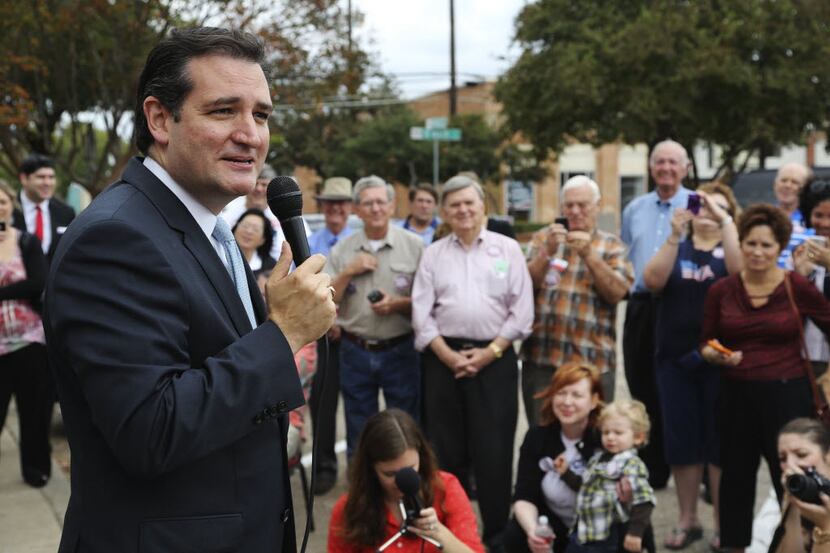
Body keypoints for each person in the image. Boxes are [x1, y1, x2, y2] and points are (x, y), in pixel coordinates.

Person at [44, 27, 336, 553]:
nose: (251, 134)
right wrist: (284, 333)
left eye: (262, 115)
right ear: (160, 118)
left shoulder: (209, 229)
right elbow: (148, 431)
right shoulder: (117, 237)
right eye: (224, 111)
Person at [412, 173, 533, 551]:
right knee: (446, 452)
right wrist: (448, 356)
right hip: (442, 362)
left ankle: (497, 535)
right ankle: (451, 535)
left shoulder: (508, 249)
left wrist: (489, 353)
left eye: (470, 203)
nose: (464, 210)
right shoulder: (433, 254)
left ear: (483, 206)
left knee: (494, 451)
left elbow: (522, 312)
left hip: (494, 361)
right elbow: (421, 314)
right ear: (445, 212)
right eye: (455, 205)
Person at [701, 204, 830, 551]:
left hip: (787, 397)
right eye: (751, 243)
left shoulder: (796, 286)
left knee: (792, 478)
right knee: (735, 479)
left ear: (780, 247)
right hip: (735, 395)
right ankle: (733, 546)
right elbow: (705, 341)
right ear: (740, 244)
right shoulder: (722, 290)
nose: (758, 252)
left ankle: (806, 543)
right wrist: (714, 354)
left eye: (767, 245)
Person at [642, 182, 741, 550]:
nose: (706, 214)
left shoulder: (729, 247)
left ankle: (722, 523)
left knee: (718, 444)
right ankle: (688, 519)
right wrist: (674, 235)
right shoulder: (678, 245)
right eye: (700, 206)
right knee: (682, 442)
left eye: (716, 208)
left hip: (720, 360)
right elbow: (652, 281)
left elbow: (739, 275)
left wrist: (726, 223)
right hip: (675, 362)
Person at [326, 175, 424, 456]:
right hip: (355, 349)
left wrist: (398, 304)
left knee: (404, 422)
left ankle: (408, 483)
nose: (376, 208)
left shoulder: (415, 246)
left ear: (392, 206)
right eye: (368, 203)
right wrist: (348, 271)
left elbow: (428, 300)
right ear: (356, 210)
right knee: (359, 424)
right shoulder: (342, 250)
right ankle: (362, 488)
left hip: (400, 347)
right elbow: (330, 297)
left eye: (381, 202)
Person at [522, 176, 633, 422]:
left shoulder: (612, 245)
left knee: (594, 435)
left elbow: (617, 293)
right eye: (569, 205)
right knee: (540, 434)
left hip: (593, 361)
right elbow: (524, 286)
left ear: (597, 206)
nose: (575, 211)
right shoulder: (544, 239)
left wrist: (589, 255)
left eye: (582, 205)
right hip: (543, 359)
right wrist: (546, 253)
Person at [621, 139, 692, 489]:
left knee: (677, 385)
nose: (666, 168)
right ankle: (652, 466)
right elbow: (626, 254)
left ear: (686, 168)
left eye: (673, 163)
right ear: (651, 168)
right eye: (660, 162)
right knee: (641, 382)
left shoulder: (697, 206)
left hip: (679, 305)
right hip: (640, 307)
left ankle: (684, 461)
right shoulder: (634, 208)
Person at [328, 408, 485, 553]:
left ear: (421, 457)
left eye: (410, 469)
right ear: (371, 469)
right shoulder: (348, 510)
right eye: (389, 474)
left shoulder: (445, 489)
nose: (400, 483)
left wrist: (440, 534)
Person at [504, 363, 604, 553]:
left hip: (598, 528)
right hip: (555, 526)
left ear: (593, 400)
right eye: (561, 393)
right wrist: (534, 531)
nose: (567, 402)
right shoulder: (537, 437)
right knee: (515, 534)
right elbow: (524, 496)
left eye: (576, 395)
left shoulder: (606, 438)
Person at [0, 179, 51, 488]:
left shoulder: (26, 242)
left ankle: (36, 471)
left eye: (3, 201)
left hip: (30, 341)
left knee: (34, 413)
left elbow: (38, 283)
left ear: (10, 205)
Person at [307, 175, 354, 495]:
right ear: (322, 208)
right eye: (330, 204)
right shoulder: (309, 242)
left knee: (359, 403)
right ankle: (324, 467)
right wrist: (326, 320)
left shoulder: (360, 241)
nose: (335, 209)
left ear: (350, 207)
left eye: (341, 203)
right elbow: (305, 286)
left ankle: (360, 469)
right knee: (322, 403)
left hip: (353, 334)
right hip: (322, 335)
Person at [565, 400, 656, 553]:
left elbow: (645, 500)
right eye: (606, 432)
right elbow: (584, 486)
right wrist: (565, 473)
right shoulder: (598, 459)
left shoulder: (631, 464)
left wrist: (635, 534)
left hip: (608, 536)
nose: (610, 437)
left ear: (638, 437)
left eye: (618, 433)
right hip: (583, 532)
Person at [771, 418, 830, 553]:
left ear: (828, 455)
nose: (790, 465)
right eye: (783, 458)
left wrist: (826, 527)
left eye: (801, 454)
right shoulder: (800, 499)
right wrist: (792, 507)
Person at [220, 162, 296, 258]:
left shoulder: (287, 217)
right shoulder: (226, 217)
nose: (259, 189)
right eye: (255, 183)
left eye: (264, 185)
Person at [794, 178, 830, 377]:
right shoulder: (802, 252)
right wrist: (800, 277)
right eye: (818, 215)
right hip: (805, 354)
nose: (824, 223)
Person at [13, 153, 76, 264]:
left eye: (51, 177)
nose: (47, 183)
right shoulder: (7, 209)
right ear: (24, 179)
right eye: (41, 177)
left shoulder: (66, 213)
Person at [232, 207, 275, 280]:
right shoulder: (220, 255)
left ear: (263, 240)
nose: (249, 231)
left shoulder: (270, 267)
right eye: (245, 226)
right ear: (235, 229)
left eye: (255, 229)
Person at [774, 162, 811, 232]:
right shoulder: (765, 216)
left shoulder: (813, 218)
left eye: (794, 182)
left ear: (805, 188)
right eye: (783, 180)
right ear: (775, 185)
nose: (787, 185)